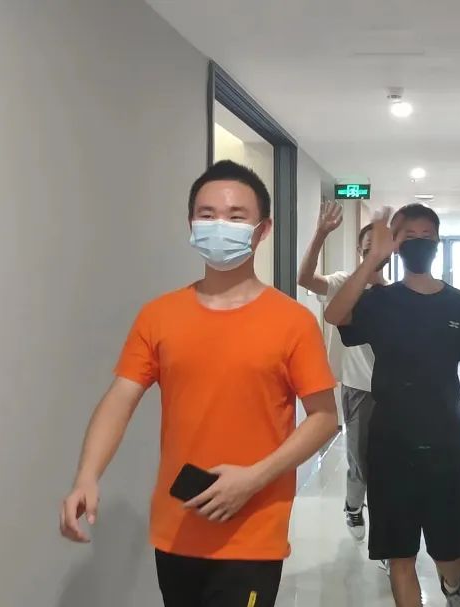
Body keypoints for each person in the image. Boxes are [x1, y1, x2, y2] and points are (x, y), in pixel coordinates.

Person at [59, 160, 338, 607]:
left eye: (235, 216)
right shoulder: (159, 315)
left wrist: (252, 479)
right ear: (191, 224)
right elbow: (120, 398)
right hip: (177, 527)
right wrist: (87, 476)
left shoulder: (292, 322)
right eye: (207, 215)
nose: (219, 225)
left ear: (263, 230)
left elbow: (324, 419)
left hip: (252, 532)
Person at [323, 203, 460, 607]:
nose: (419, 242)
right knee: (399, 553)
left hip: (446, 444)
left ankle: (453, 586)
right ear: (395, 244)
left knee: (449, 550)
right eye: (409, 236)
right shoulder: (380, 302)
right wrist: (372, 259)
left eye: (427, 236)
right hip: (390, 446)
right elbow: (335, 313)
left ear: (438, 242)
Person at [296, 200, 387, 543]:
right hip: (359, 387)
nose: (373, 253)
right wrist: (321, 233)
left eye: (378, 247)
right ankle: (353, 505)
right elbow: (304, 278)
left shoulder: (396, 294)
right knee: (360, 458)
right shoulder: (343, 282)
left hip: (394, 390)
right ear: (360, 251)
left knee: (388, 462)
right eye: (367, 247)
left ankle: (386, 534)